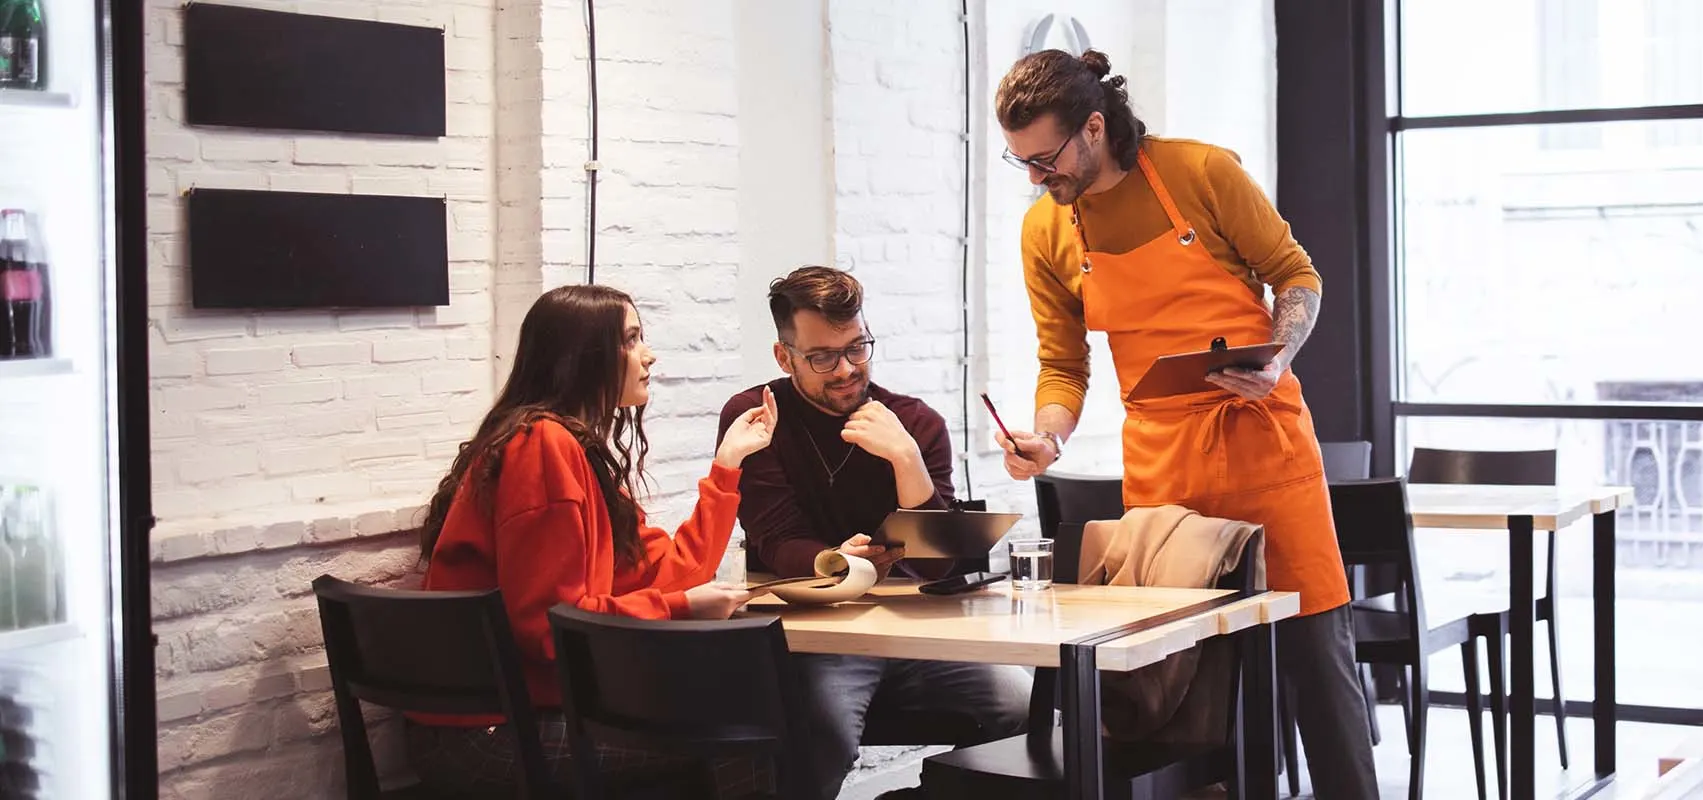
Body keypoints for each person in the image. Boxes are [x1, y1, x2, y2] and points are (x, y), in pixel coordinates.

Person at [993, 49, 1381, 797]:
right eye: (1022, 165)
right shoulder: (1047, 231)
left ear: (1095, 128)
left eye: (1045, 159)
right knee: (1179, 690)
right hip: (1164, 473)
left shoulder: (1201, 173)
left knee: (1318, 670)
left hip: (1264, 444)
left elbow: (1297, 275)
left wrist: (1277, 354)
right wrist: (1050, 435)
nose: (1037, 179)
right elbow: (1063, 363)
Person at [405, 284, 778, 796]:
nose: (648, 354)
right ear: (584, 357)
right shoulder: (542, 446)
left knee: (737, 714)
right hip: (488, 733)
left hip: (515, 714)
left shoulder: (573, 449)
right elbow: (545, 626)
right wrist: (677, 609)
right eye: (630, 340)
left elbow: (675, 571)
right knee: (737, 728)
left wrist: (728, 465)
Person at [716, 266, 1031, 800]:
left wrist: (906, 459)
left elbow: (939, 566)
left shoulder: (915, 422)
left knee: (1024, 706)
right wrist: (834, 562)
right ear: (783, 356)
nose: (845, 370)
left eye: (857, 347)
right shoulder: (756, 416)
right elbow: (772, 536)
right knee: (824, 731)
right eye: (822, 357)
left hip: (918, 633)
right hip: (821, 636)